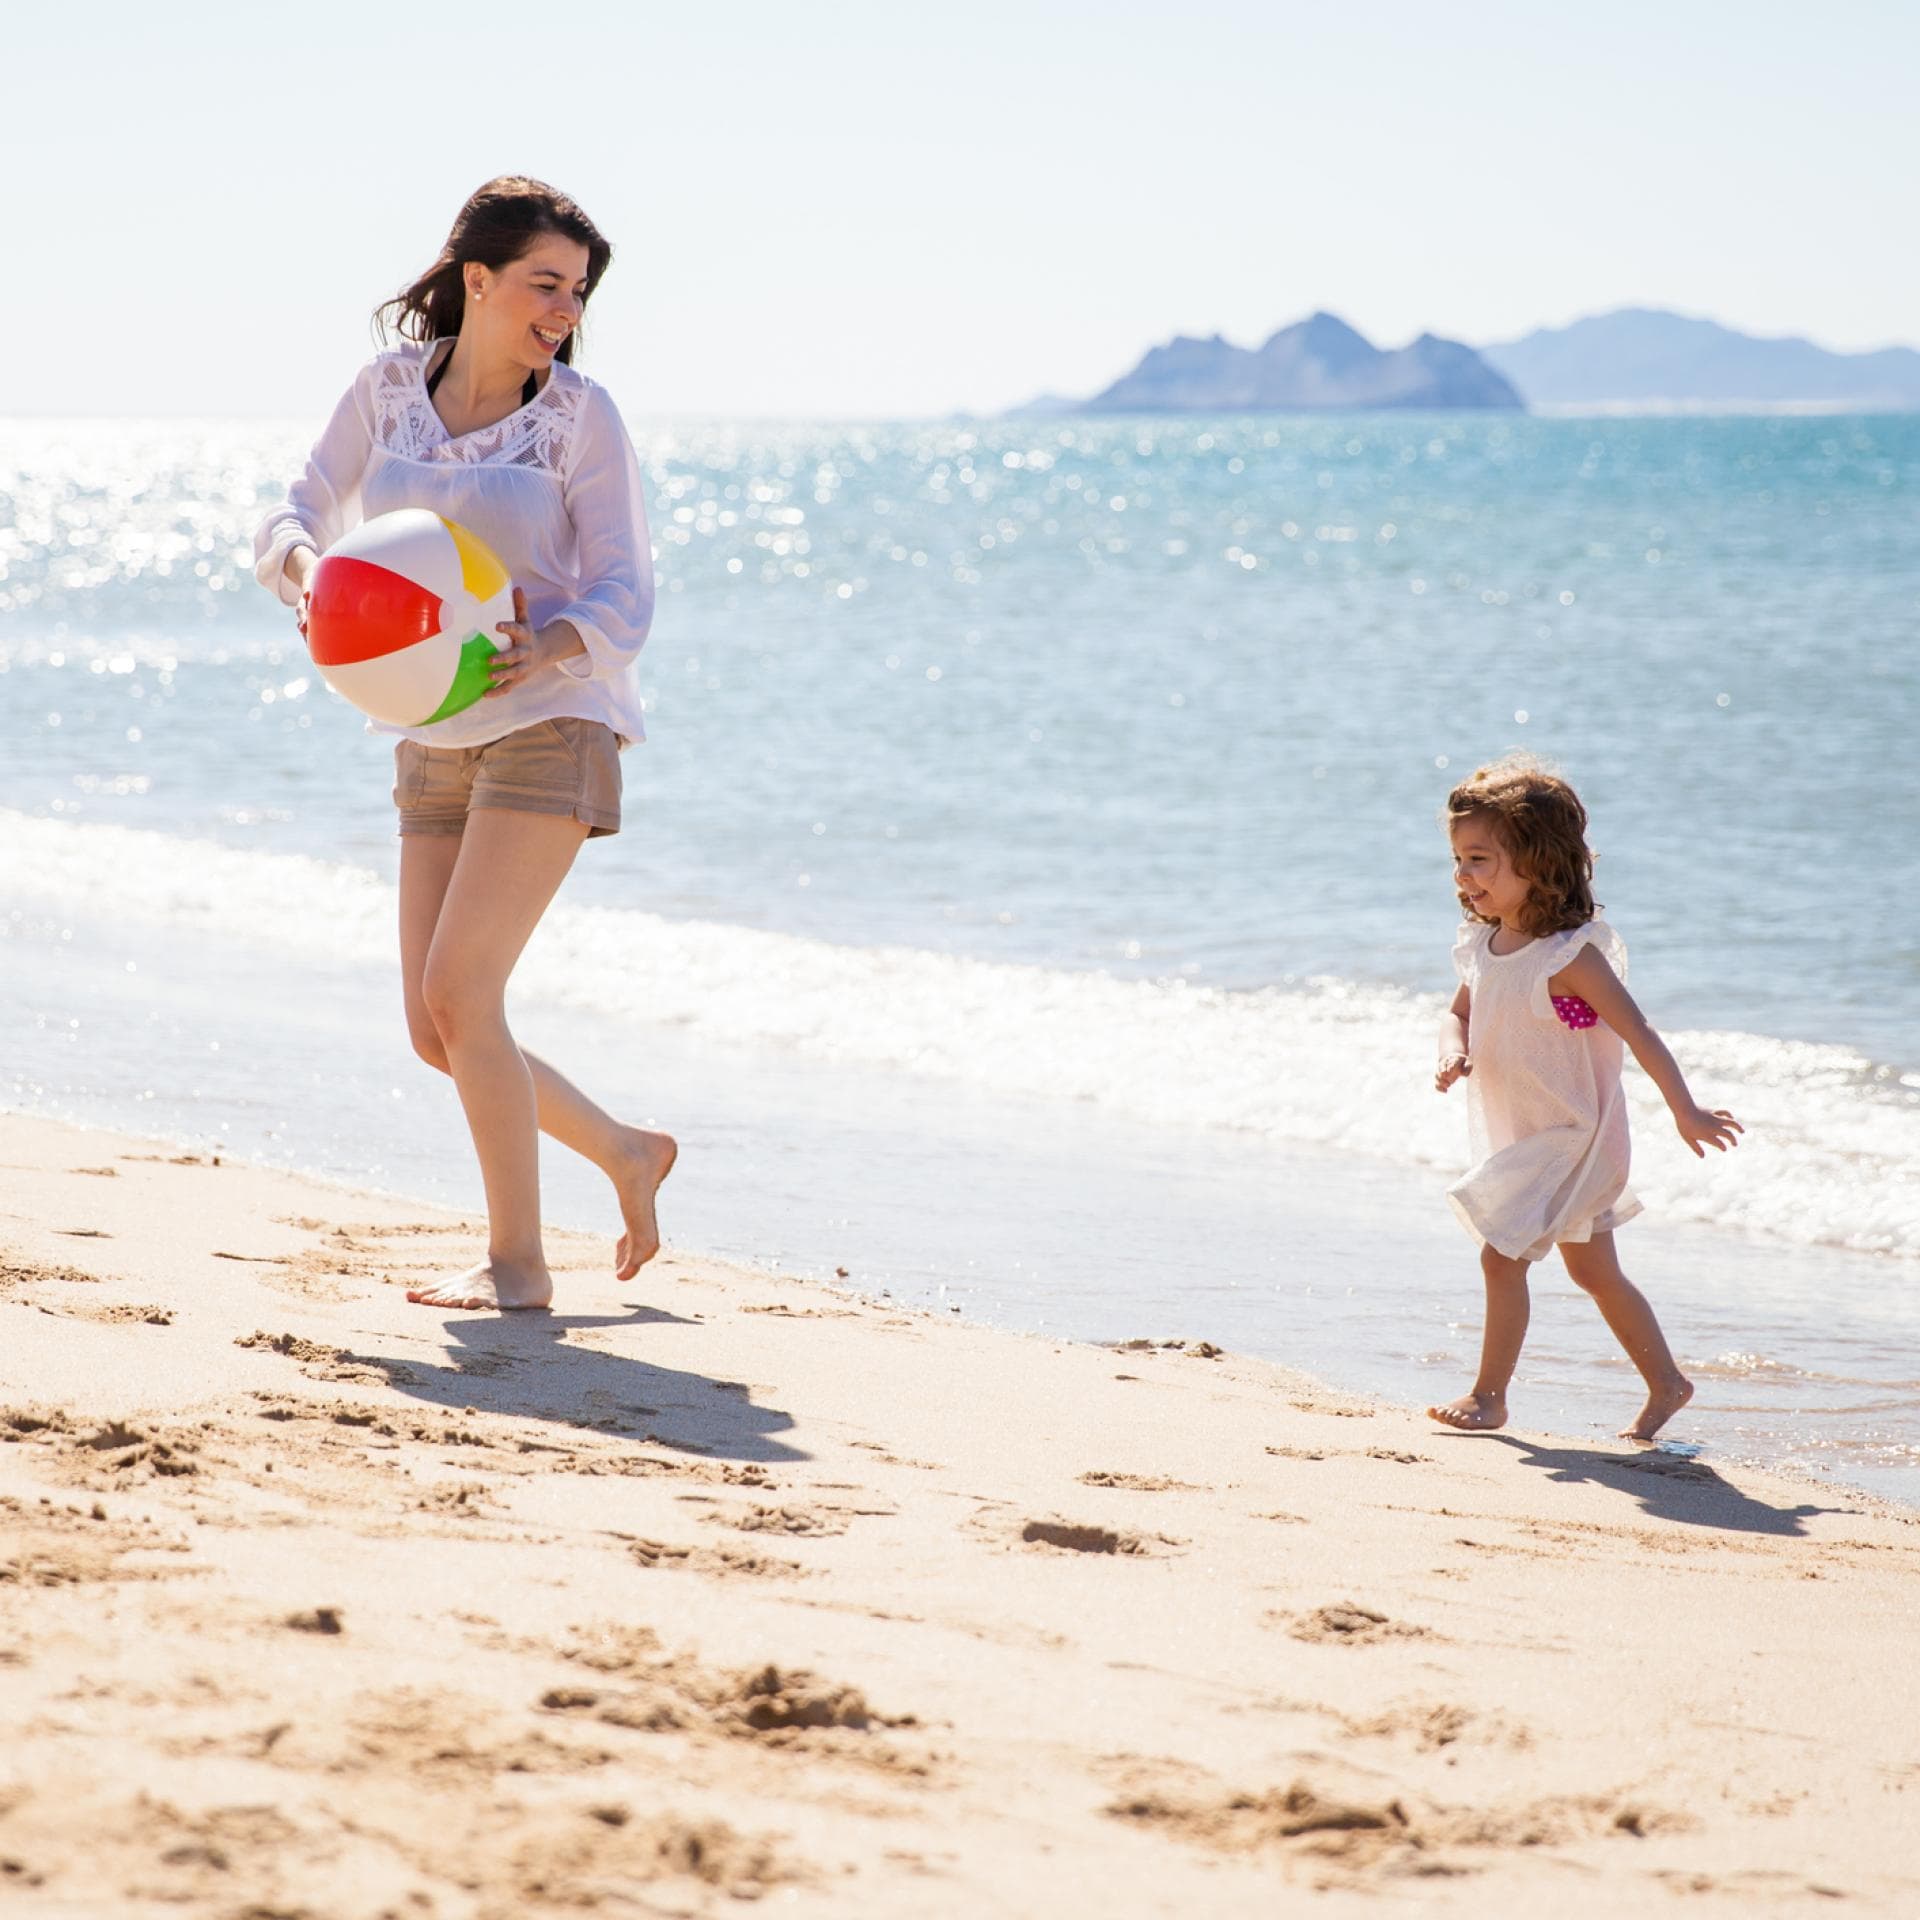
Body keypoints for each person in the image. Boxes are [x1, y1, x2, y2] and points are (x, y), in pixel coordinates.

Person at [253, 176, 674, 1312]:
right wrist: (314, 577)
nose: (564, 310)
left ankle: (517, 1265)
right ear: (476, 280)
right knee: (435, 1027)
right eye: (545, 284)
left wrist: (552, 649)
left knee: (460, 988)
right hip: (430, 726)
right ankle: (627, 1152)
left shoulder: (580, 416)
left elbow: (626, 587)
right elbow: (293, 510)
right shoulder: (388, 392)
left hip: (553, 716)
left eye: (577, 293)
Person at [1430, 754, 1741, 1440]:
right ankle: (1668, 1382)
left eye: (1479, 859)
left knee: (1501, 1255)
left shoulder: (1569, 956)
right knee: (1595, 1271)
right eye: (1457, 859)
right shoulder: (1484, 945)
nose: (1462, 875)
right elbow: (1458, 1011)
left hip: (1575, 1137)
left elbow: (1640, 1033)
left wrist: (1685, 1109)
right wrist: (1453, 1050)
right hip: (1524, 1133)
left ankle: (1489, 1396)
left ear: (1537, 863)